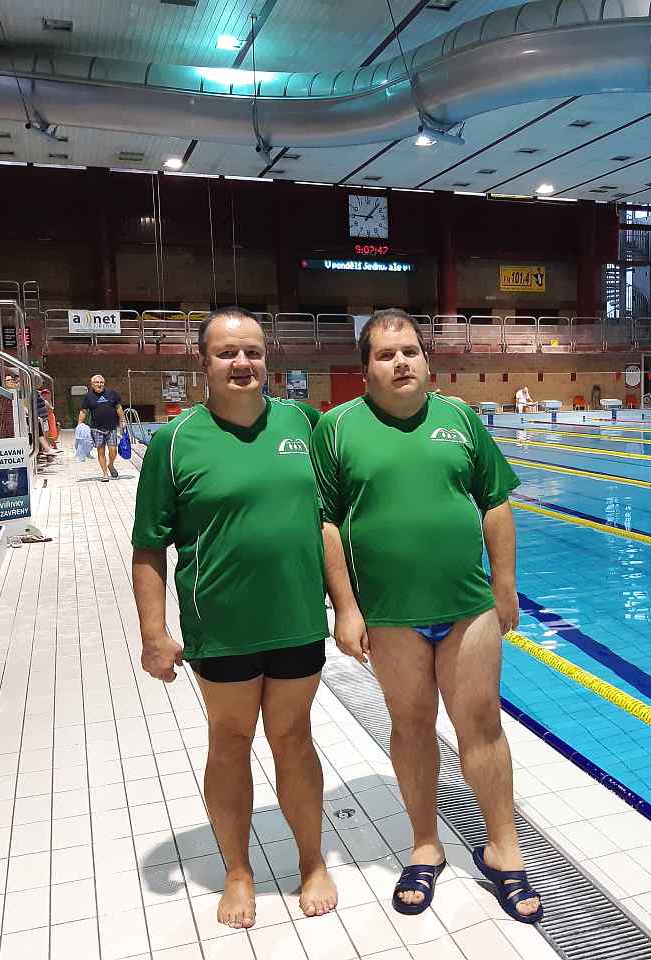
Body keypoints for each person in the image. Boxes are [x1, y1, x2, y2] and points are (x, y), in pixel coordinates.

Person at [311, 309, 542, 924]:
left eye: (410, 351)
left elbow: (495, 504)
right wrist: (346, 608)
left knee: (482, 726)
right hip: (390, 616)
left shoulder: (460, 419)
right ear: (365, 369)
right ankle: (425, 845)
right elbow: (326, 522)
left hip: (468, 608)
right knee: (411, 727)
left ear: (427, 359)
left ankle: (504, 849)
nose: (401, 362)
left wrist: (505, 585)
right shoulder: (337, 428)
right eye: (386, 355)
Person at [131, 306, 338, 928]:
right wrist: (153, 633)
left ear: (267, 359)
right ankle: (239, 871)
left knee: (294, 738)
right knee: (230, 741)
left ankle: (311, 861)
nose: (242, 362)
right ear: (204, 363)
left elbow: (333, 519)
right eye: (227, 353)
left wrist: (352, 606)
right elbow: (149, 546)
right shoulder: (174, 442)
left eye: (252, 351)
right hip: (220, 627)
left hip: (298, 619)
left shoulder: (304, 424)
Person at [78, 373, 126, 481]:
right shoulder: (88, 397)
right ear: (92, 385)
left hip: (111, 428)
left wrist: (123, 420)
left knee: (113, 450)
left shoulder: (112, 394)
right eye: (97, 382)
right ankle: (105, 474)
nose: (99, 384)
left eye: (101, 382)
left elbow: (118, 408)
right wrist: (79, 425)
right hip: (96, 429)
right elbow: (83, 411)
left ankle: (111, 465)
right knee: (101, 451)